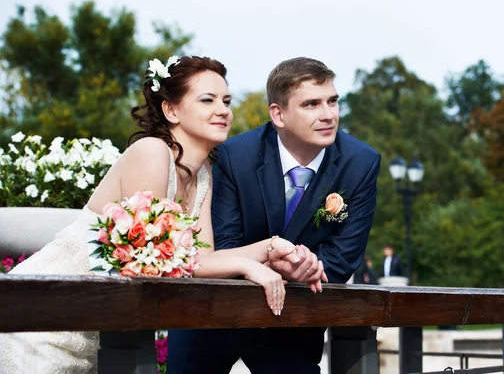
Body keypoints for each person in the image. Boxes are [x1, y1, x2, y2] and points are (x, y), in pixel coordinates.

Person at [0, 56, 320, 374]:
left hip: (99, 330)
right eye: (207, 100)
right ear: (171, 110)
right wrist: (250, 266)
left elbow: (200, 259)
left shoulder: (204, 174)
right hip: (41, 319)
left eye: (226, 100)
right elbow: (149, 259)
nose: (223, 110)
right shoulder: (152, 153)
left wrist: (274, 248)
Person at [167, 57, 381, 373]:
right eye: (311, 104)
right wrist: (276, 260)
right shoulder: (234, 155)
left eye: (332, 102)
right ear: (278, 114)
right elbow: (224, 243)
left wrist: (302, 269)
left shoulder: (360, 163)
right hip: (215, 314)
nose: (328, 115)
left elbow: (342, 258)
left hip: (294, 319)